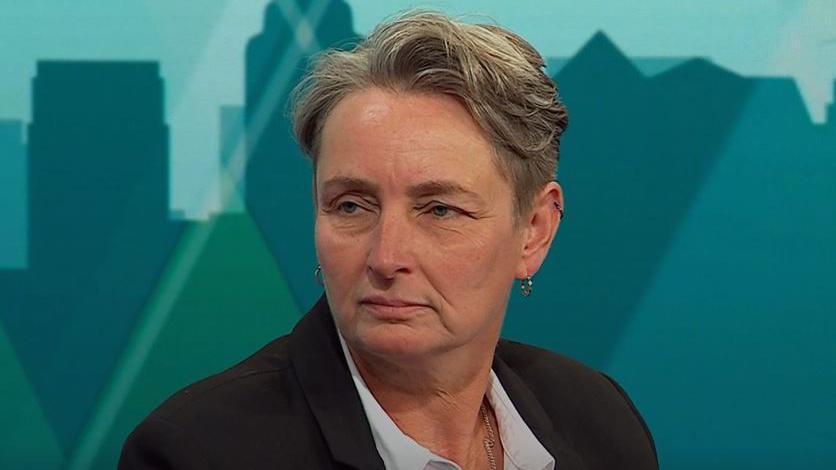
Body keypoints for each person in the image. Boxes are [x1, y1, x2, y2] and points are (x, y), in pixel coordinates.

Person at [119, 11, 657, 470]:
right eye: (351, 206)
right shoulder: (198, 452)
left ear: (534, 231)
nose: (386, 257)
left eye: (440, 210)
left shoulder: (598, 423)